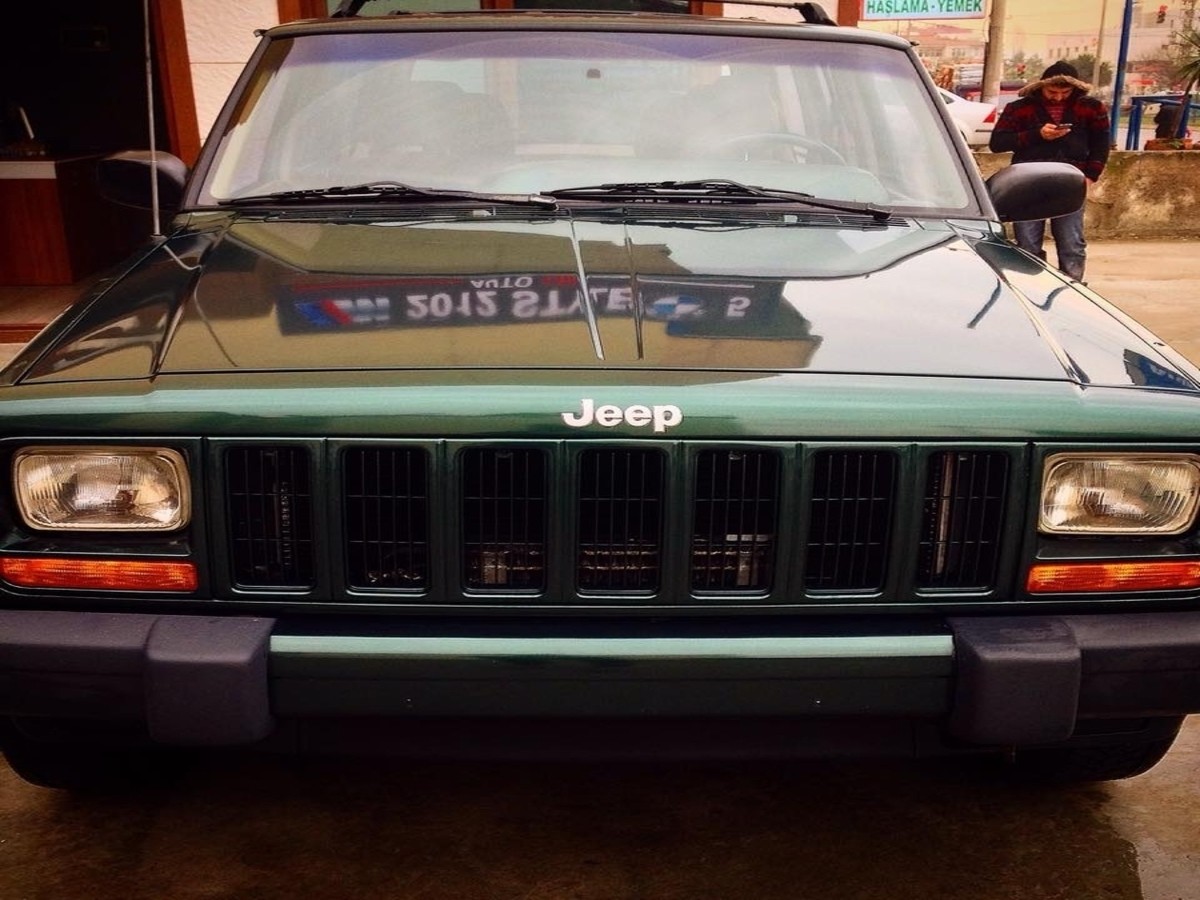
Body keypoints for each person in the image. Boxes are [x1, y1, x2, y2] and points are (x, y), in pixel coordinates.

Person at [988, 61, 1110, 282]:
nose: (1058, 97)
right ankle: (1032, 286)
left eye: (1065, 92)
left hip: (1070, 181)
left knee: (1071, 242)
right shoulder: (1019, 108)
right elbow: (997, 142)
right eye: (1052, 92)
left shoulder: (1092, 108)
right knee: (1027, 242)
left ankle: (1073, 287)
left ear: (1075, 89)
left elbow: (1101, 145)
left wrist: (1090, 176)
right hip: (1028, 182)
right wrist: (1037, 135)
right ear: (1041, 87)